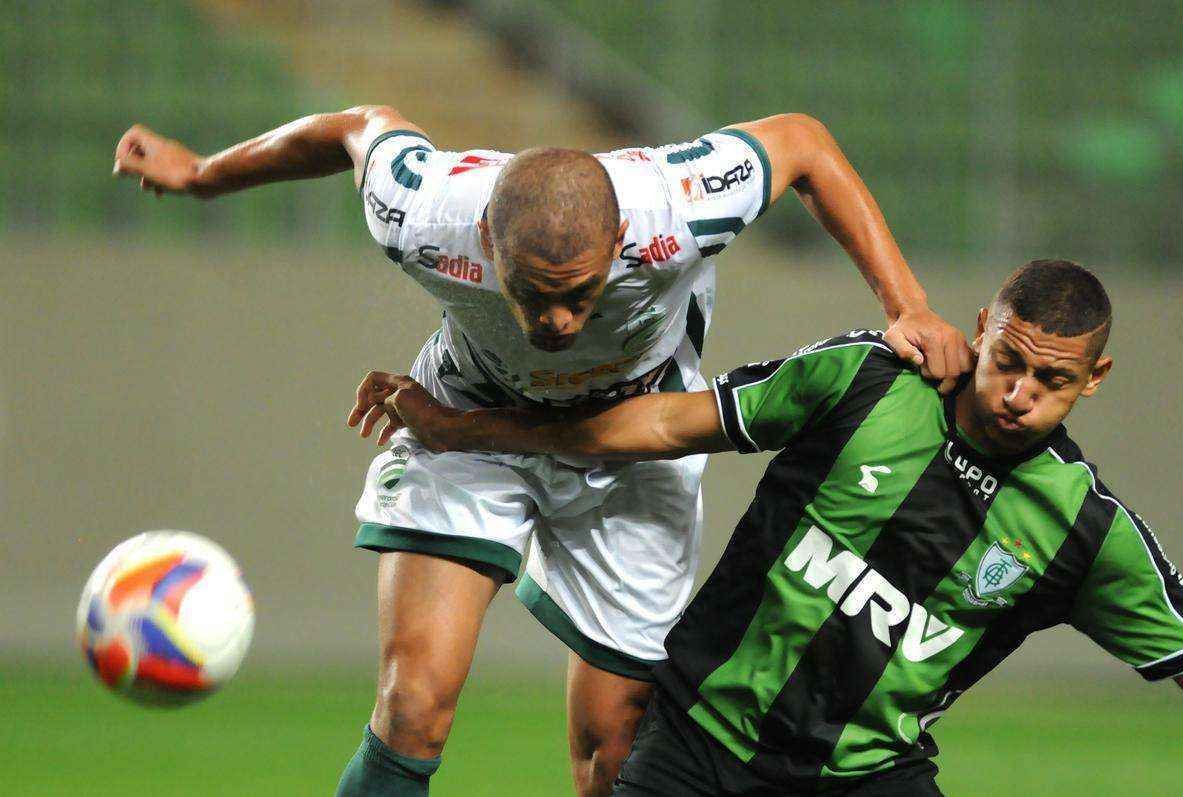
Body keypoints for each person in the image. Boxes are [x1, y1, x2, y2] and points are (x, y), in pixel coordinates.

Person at [112, 106, 971, 795]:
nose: (561, 323)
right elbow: (353, 128)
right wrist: (200, 176)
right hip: (468, 422)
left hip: (634, 446)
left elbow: (805, 143)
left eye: (583, 295)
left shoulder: (684, 203)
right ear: (486, 243)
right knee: (414, 706)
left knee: (613, 756)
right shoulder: (425, 212)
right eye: (536, 295)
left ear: (624, 247)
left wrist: (909, 303)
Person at [362, 259, 1183, 796]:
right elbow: (657, 426)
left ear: (1095, 379)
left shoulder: (1088, 532)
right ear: (981, 328)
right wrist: (471, 429)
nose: (1018, 393)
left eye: (1050, 379)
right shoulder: (868, 380)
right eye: (1007, 361)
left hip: (862, 774)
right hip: (697, 739)